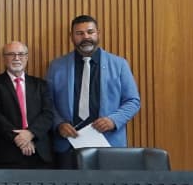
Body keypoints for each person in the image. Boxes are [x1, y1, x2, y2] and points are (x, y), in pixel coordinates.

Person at [45, 15, 141, 168]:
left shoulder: (119, 64)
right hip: (67, 145)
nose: (86, 37)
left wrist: (113, 120)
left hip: (108, 143)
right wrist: (58, 124)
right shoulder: (57, 66)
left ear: (98, 33)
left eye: (90, 32)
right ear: (71, 37)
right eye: (79, 33)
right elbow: (47, 101)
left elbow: (133, 101)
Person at [0, 41, 55, 169]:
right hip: (6, 154)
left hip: (39, 152)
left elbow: (48, 114)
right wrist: (19, 138)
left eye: (21, 54)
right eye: (11, 54)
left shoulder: (40, 85)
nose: (16, 58)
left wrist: (30, 133)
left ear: (27, 57)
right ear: (4, 58)